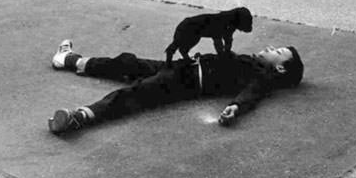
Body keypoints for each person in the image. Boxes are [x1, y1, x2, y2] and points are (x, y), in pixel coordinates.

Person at [47, 39, 304, 134]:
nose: (270, 48)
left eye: (277, 52)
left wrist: (235, 107)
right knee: (129, 63)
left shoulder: (262, 77)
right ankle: (70, 60)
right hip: (183, 67)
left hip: (186, 81)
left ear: (280, 68)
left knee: (137, 93)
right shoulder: (254, 65)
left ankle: (79, 118)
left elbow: (251, 94)